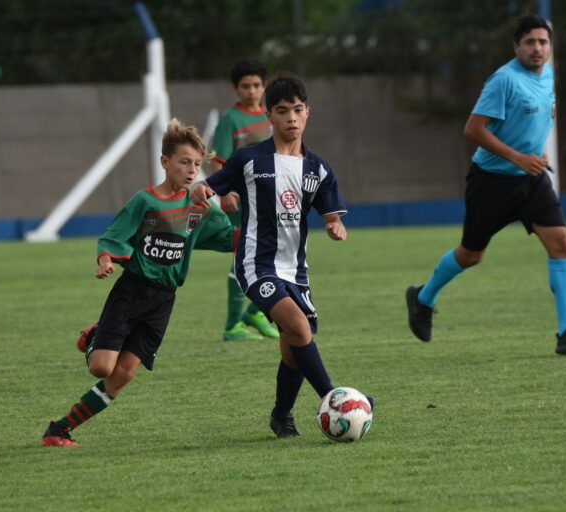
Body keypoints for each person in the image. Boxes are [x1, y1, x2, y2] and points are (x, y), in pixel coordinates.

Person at [405, 14, 566, 356]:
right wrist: (518, 157)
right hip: (491, 181)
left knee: (561, 243)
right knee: (471, 255)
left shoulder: (548, 77)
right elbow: (473, 129)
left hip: (531, 177)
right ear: (517, 47)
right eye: (530, 42)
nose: (537, 48)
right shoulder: (503, 80)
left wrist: (534, 152)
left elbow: (535, 118)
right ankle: (422, 298)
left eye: (543, 42)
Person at [190, 72, 373, 437]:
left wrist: (336, 225)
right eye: (282, 110)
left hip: (296, 271)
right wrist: (202, 191)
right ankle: (336, 401)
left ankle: (281, 415)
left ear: (308, 114)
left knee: (294, 345)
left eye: (298, 110)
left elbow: (331, 213)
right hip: (256, 264)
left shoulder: (319, 169)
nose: (291, 117)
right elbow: (208, 186)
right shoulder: (249, 159)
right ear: (269, 116)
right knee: (298, 327)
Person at [41, 119, 238, 447]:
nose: (191, 170)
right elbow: (114, 235)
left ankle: (59, 430)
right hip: (132, 291)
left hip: (164, 300)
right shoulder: (145, 201)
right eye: (184, 162)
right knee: (102, 368)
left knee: (124, 375)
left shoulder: (199, 208)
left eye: (197, 165)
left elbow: (231, 239)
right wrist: (106, 259)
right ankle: (94, 336)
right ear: (165, 162)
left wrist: (257, 217)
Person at [210, 58, 278, 342]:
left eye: (257, 85)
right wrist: (224, 192)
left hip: (269, 196)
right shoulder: (230, 120)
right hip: (243, 198)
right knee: (245, 256)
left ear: (264, 87)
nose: (252, 91)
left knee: (278, 253)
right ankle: (233, 325)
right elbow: (218, 160)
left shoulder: (272, 114)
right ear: (236, 89)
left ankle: (254, 311)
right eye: (245, 86)